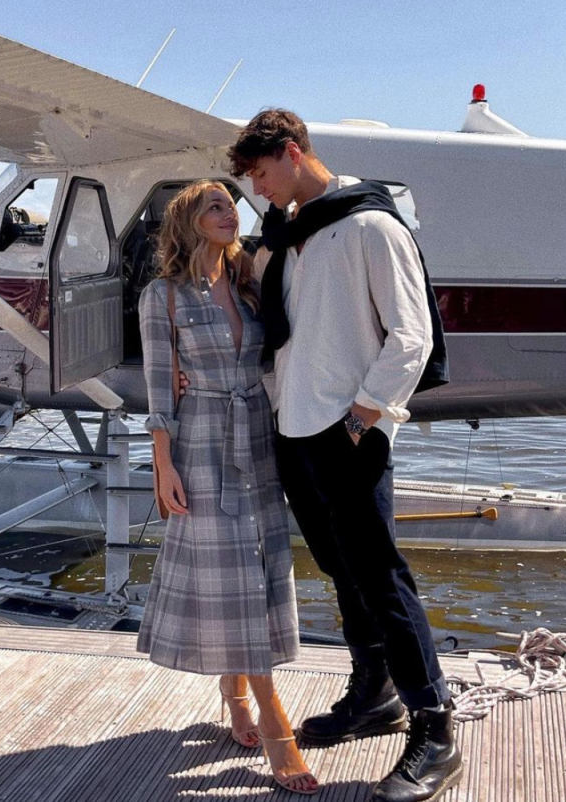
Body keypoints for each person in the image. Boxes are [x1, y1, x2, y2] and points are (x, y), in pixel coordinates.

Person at [222, 109, 461, 802]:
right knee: (340, 569)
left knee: (381, 576)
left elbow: (410, 335)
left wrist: (362, 419)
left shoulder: (369, 225)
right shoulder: (289, 238)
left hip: (345, 432)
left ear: (293, 154)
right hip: (294, 428)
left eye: (262, 174)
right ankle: (374, 691)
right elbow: (284, 337)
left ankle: (435, 726)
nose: (259, 191)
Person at [137, 180, 318, 795]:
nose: (228, 213)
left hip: (258, 437)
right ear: (188, 222)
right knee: (233, 575)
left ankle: (233, 691)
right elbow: (159, 391)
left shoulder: (249, 282)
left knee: (261, 566)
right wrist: (164, 467)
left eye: (230, 205)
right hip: (200, 442)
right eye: (214, 205)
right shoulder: (161, 296)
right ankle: (274, 721)